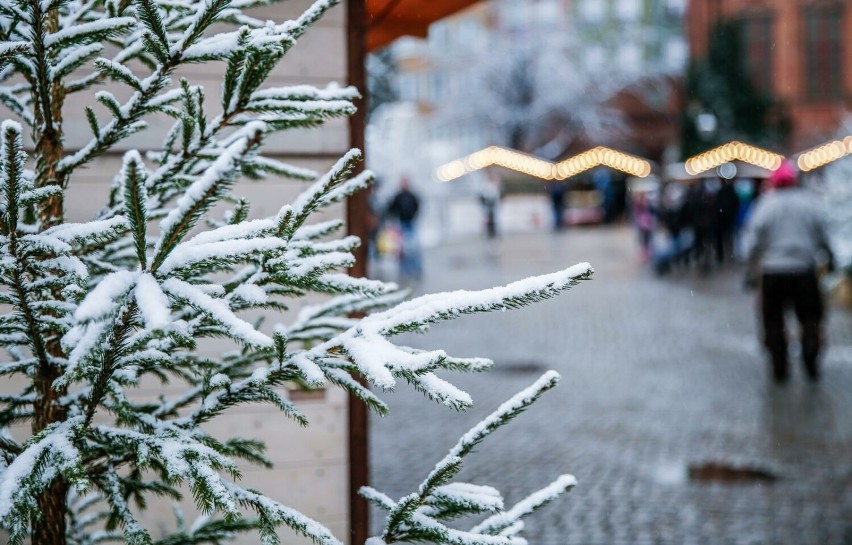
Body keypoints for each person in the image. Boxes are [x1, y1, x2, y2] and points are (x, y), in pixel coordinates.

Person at [742, 160, 835, 383]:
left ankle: (779, 367)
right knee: (810, 319)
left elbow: (752, 242)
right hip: (804, 270)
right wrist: (829, 257)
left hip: (773, 272)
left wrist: (751, 268)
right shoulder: (809, 203)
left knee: (773, 322)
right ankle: (811, 361)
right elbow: (823, 234)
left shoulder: (766, 205)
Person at [386, 176, 422, 280]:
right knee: (403, 249)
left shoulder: (412, 195)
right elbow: (391, 209)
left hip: (411, 223)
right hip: (401, 223)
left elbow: (417, 206)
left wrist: (413, 215)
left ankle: (416, 269)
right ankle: (404, 270)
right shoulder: (398, 196)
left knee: (414, 248)